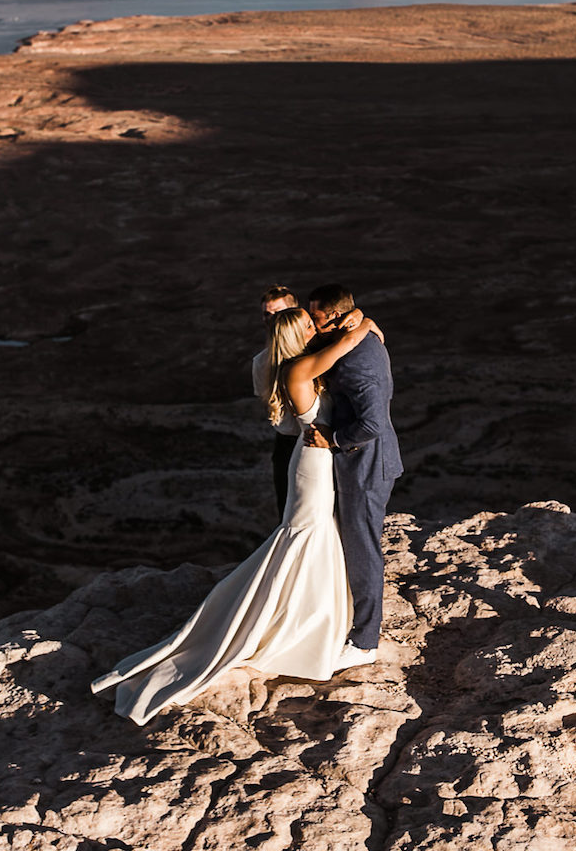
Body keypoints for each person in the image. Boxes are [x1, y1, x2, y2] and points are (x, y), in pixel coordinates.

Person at [92, 308, 379, 723]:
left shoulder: (298, 363)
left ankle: (308, 612)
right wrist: (365, 322)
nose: (317, 328)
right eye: (309, 325)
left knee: (315, 532)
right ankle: (291, 620)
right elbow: (349, 342)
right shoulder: (299, 368)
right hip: (314, 465)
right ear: (298, 336)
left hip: (319, 459)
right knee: (306, 532)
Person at [300, 284, 401, 673]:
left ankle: (364, 642)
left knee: (362, 548)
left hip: (365, 464)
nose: (313, 325)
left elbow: (373, 422)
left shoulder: (359, 359)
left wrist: (334, 439)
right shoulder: (354, 338)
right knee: (355, 542)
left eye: (318, 320)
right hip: (361, 463)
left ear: (340, 318)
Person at [250, 285, 302, 511]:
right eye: (266, 314)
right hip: (288, 441)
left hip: (323, 439)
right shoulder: (261, 363)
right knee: (287, 508)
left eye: (278, 313)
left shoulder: (315, 350)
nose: (271, 319)